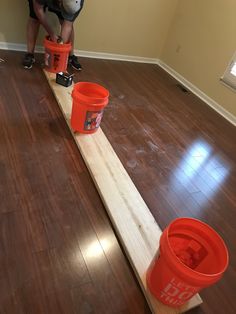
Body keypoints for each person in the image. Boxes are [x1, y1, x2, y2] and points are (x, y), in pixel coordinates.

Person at [23, 0, 84, 70]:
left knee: (64, 21)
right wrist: (52, 34)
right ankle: (30, 54)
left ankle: (70, 56)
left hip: (66, 3)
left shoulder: (77, 4)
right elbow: (38, 10)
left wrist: (60, 48)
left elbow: (68, 25)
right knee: (34, 18)